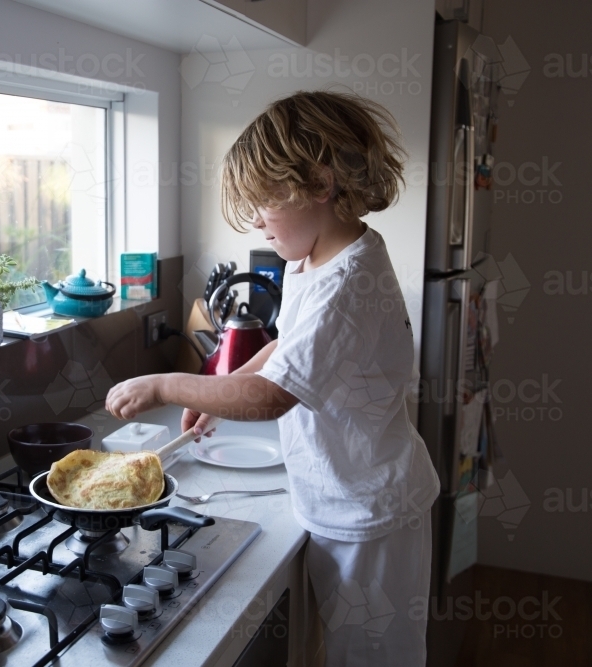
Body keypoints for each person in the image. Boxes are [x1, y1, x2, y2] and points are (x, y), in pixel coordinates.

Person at [105, 90, 440, 666]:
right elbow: (286, 348)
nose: (257, 219)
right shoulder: (315, 259)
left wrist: (166, 385)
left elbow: (270, 397)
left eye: (264, 201)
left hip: (370, 517)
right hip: (337, 499)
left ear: (320, 183)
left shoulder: (345, 285)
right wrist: (217, 395)